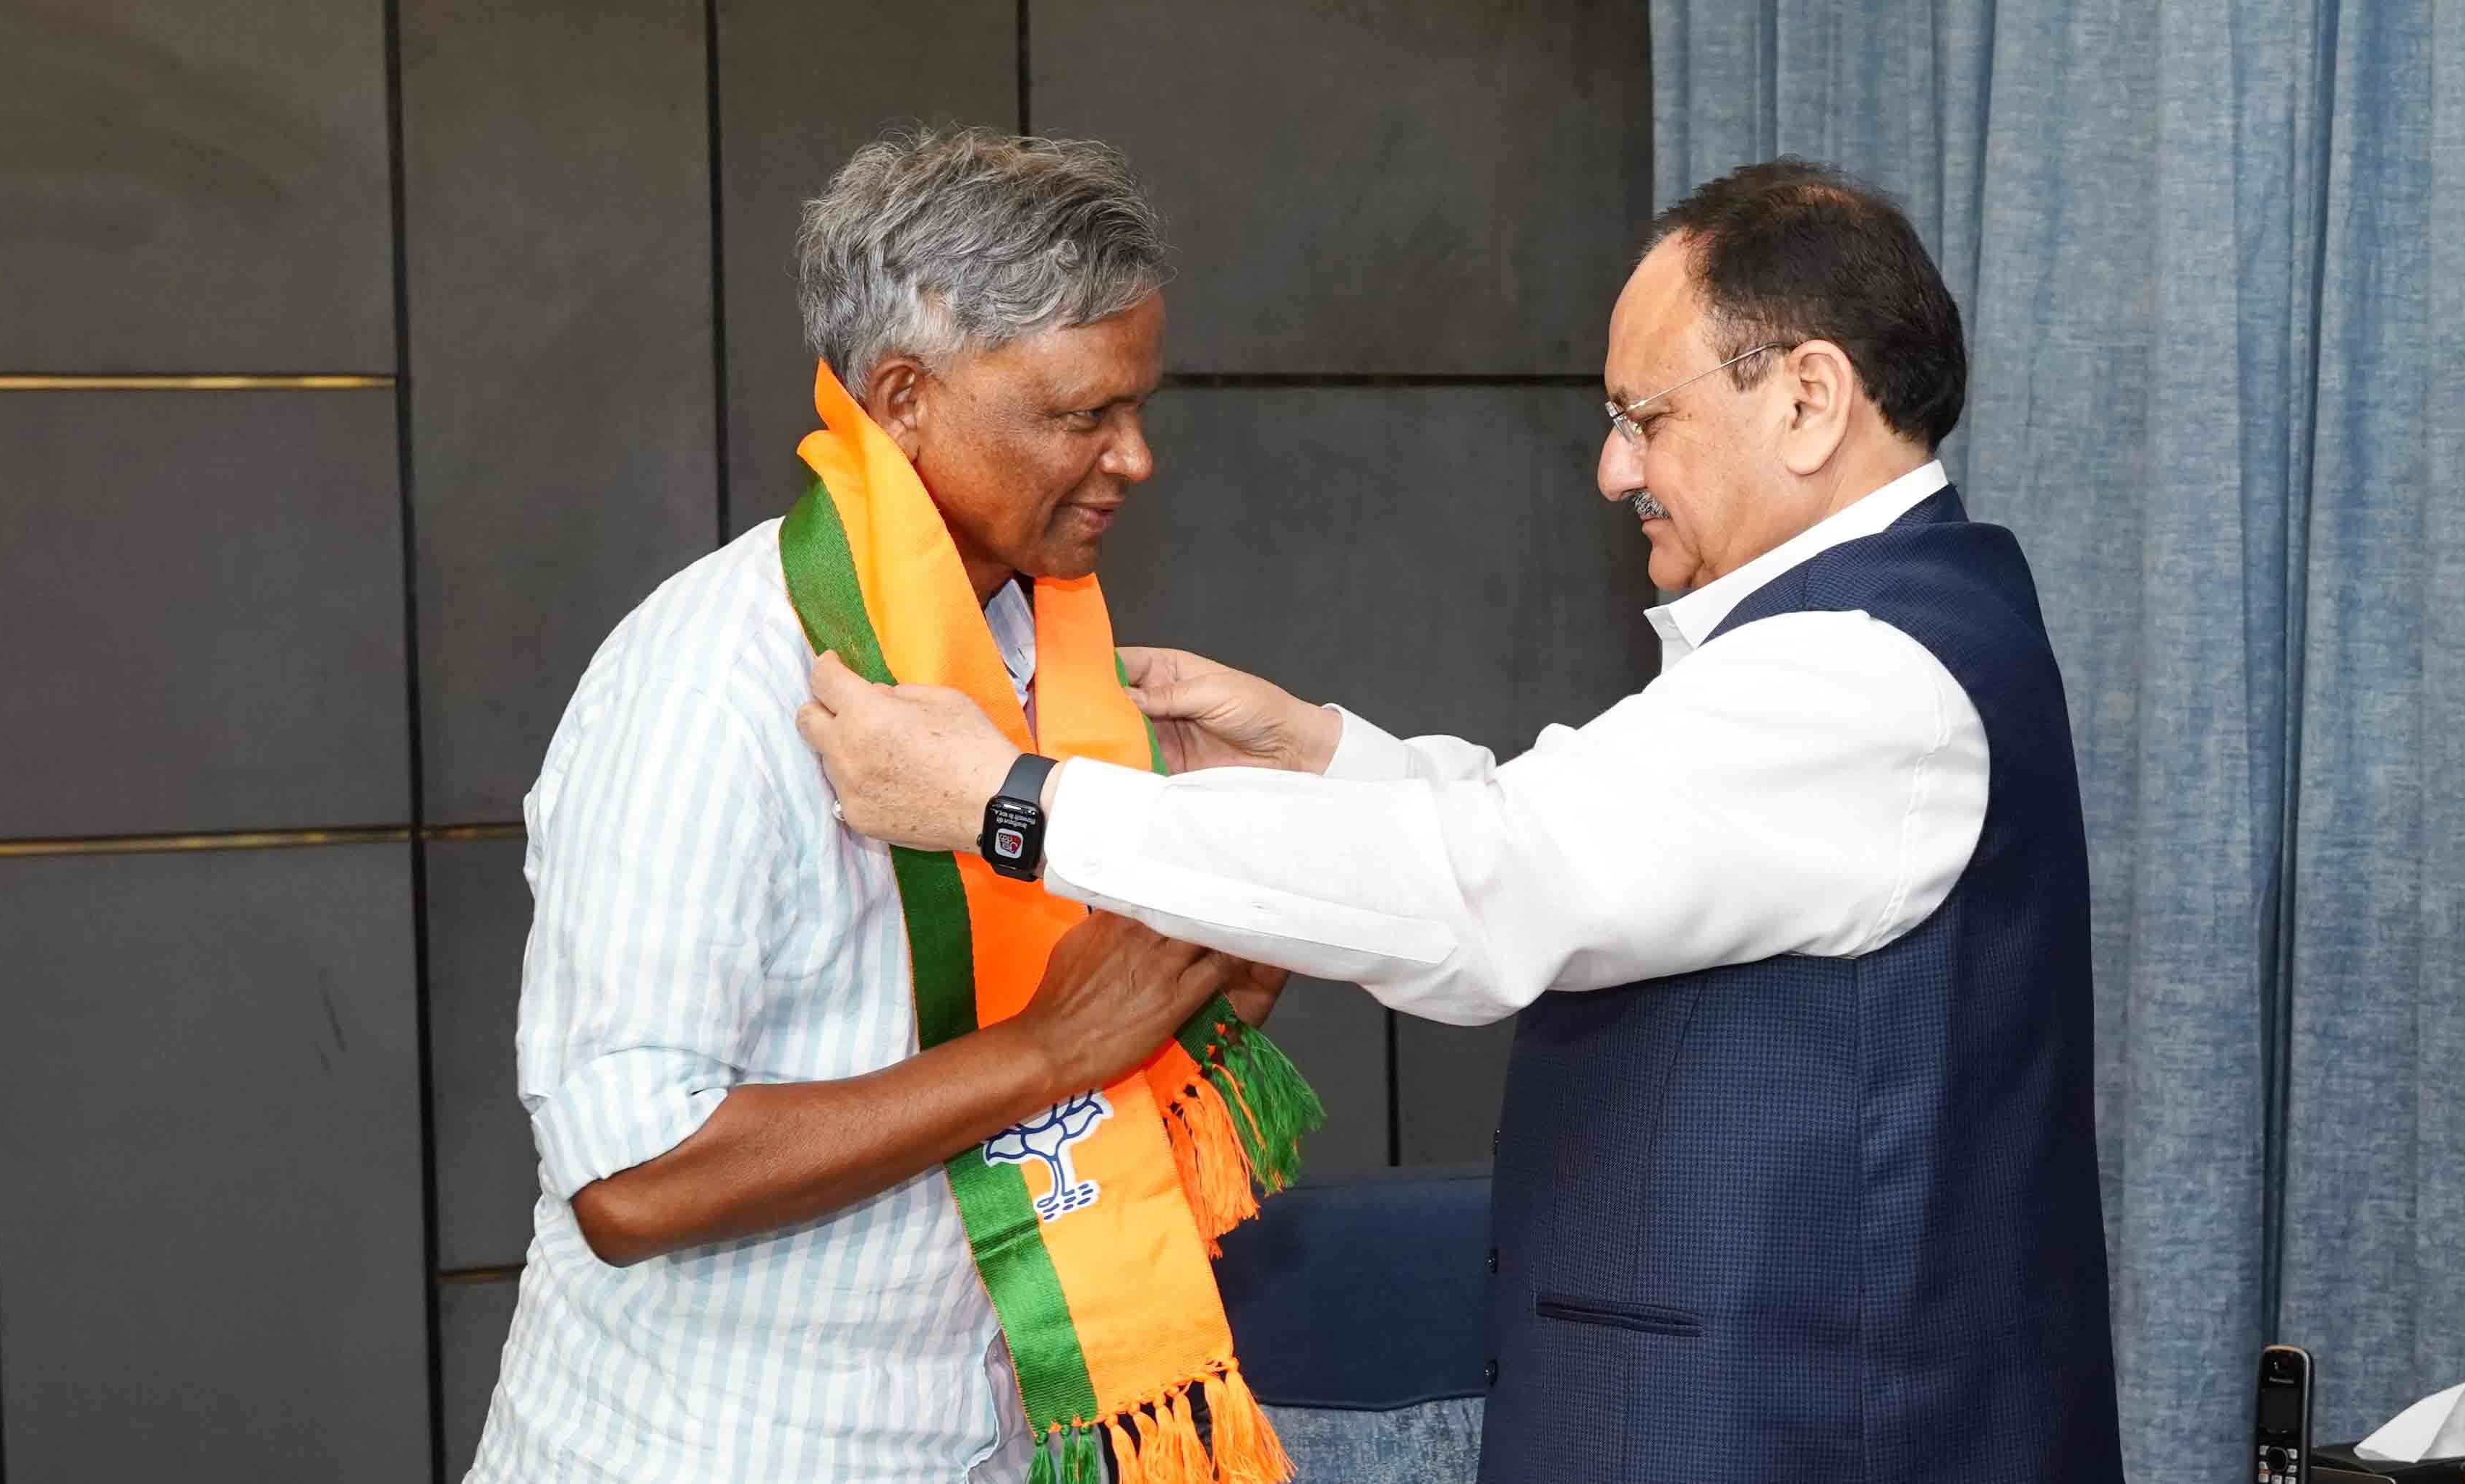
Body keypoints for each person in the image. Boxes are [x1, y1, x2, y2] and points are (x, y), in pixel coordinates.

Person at [800, 159, 2127, 1482]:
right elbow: (1576, 835)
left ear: (1807, 399)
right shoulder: (1874, 638)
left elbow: (1491, 890)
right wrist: (1312, 755)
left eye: (1640, 415)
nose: (1613, 470)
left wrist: (1013, 804)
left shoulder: (1854, 671)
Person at [466, 127, 1299, 1484]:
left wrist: (1240, 938)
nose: (1133, 458)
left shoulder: (1056, 657)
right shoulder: (710, 682)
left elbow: (1107, 1057)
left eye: (1140, 406)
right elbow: (633, 1178)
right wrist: (1045, 1051)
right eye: (1081, 415)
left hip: (987, 1438)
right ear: (903, 395)